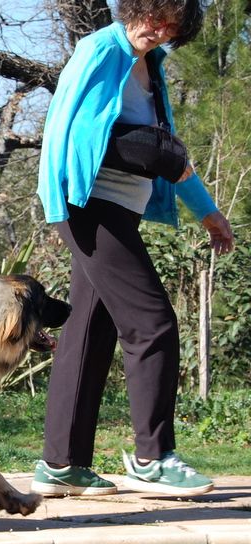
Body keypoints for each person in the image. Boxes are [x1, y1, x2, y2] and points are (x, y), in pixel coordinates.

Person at [31, 0, 235, 498]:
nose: (160, 31)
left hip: (121, 209)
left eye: (173, 26)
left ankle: (61, 465)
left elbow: (171, 156)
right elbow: (65, 126)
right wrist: (60, 201)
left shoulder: (153, 67)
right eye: (155, 17)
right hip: (87, 204)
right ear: (135, 9)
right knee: (153, 322)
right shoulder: (100, 49)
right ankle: (152, 457)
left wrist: (207, 211)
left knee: (88, 331)